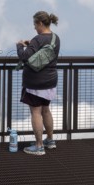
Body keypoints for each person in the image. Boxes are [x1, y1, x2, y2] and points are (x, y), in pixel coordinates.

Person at [16, 11, 60, 156]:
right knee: (46, 110)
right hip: (50, 80)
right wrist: (32, 45)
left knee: (36, 111)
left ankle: (39, 145)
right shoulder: (55, 38)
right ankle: (50, 140)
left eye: (35, 24)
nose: (34, 27)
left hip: (35, 82)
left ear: (40, 23)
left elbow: (24, 57)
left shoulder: (37, 39)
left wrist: (20, 46)